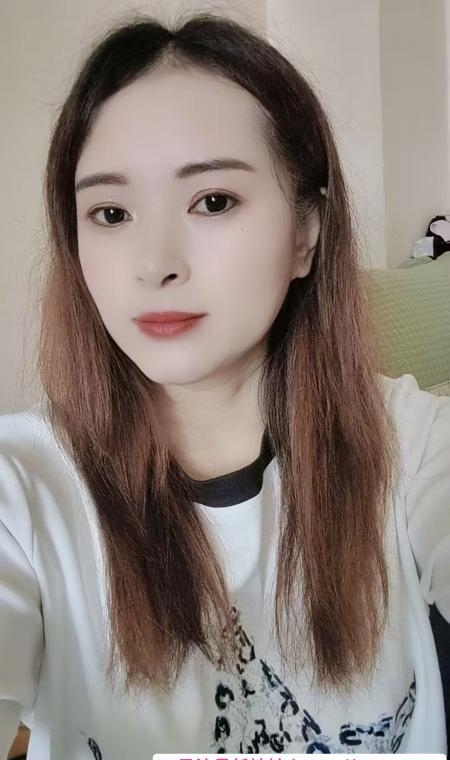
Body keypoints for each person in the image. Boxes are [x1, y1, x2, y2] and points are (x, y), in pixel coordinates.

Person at [0, 12, 449, 758]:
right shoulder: (23, 488)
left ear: (306, 233)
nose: (155, 264)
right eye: (110, 213)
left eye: (213, 201)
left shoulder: (413, 441)